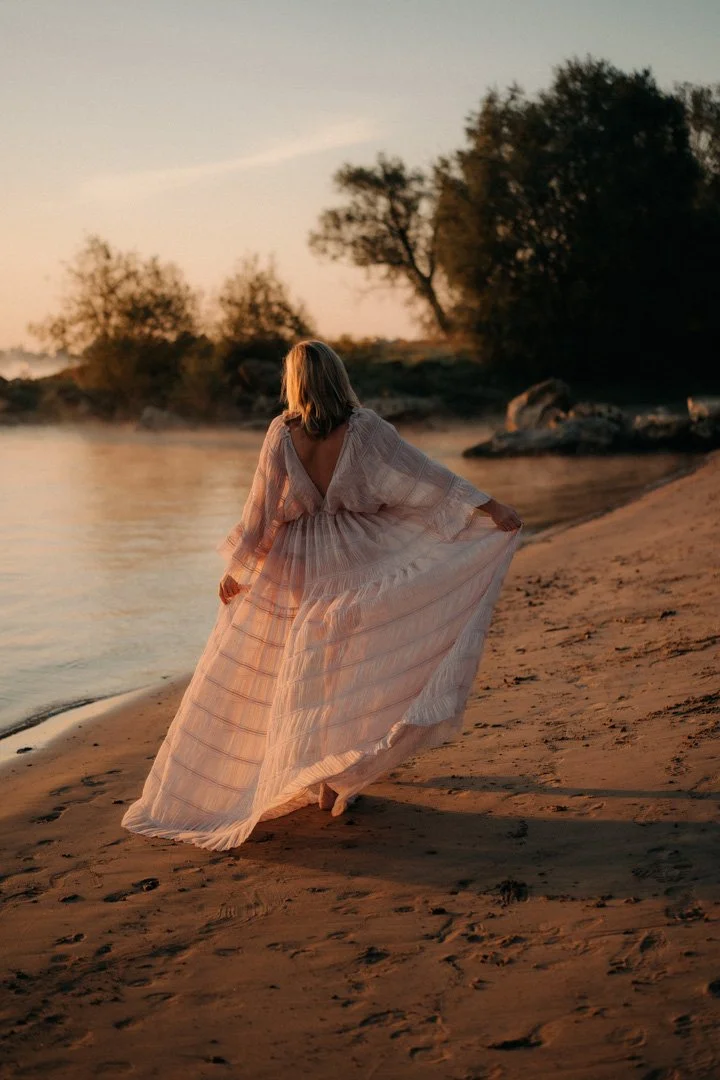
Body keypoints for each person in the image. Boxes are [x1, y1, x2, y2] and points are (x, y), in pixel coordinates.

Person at [121, 340, 523, 851]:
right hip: (356, 553)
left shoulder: (280, 433)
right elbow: (425, 477)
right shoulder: (365, 428)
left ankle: (316, 772)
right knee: (348, 662)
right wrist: (489, 508)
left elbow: (260, 510)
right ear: (337, 376)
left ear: (295, 382)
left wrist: (239, 568)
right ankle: (332, 776)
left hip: (296, 559)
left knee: (304, 664)